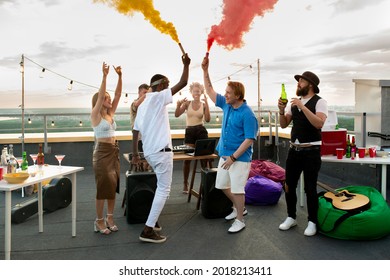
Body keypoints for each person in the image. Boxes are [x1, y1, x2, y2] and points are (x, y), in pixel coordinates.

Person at [132, 53, 191, 243]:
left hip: (149, 152)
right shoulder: (157, 97)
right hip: (162, 152)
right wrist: (186, 64)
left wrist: (135, 154)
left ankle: (153, 220)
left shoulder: (143, 105)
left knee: (159, 187)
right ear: (159, 86)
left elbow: (135, 130)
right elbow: (183, 82)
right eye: (166, 84)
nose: (168, 88)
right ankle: (148, 230)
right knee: (164, 190)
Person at [201, 56, 258, 233]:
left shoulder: (248, 114)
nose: (224, 95)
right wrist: (205, 70)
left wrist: (233, 158)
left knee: (238, 190)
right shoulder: (227, 106)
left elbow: (249, 139)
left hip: (239, 159)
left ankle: (240, 219)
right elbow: (209, 90)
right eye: (225, 92)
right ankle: (239, 208)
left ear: (238, 96)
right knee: (222, 186)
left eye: (228, 93)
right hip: (225, 155)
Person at [277, 71, 328, 237]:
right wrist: (281, 110)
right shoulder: (294, 104)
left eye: (301, 81)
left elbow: (319, 123)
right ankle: (291, 217)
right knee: (289, 185)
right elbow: (284, 125)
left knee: (310, 188)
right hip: (294, 150)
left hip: (311, 152)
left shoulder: (320, 102)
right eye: (298, 81)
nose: (298, 83)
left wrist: (302, 106)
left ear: (310, 85)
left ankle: (312, 221)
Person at [91, 62, 122, 235]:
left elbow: (118, 94)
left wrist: (119, 77)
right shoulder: (95, 115)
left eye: (109, 98)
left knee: (112, 186)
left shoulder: (110, 114)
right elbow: (102, 93)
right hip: (102, 153)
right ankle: (99, 220)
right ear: (99, 101)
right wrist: (104, 76)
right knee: (103, 188)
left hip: (113, 152)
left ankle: (110, 217)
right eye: (106, 98)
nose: (109, 99)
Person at [174, 82, 211, 193]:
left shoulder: (204, 105)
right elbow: (176, 114)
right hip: (190, 131)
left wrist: (208, 105)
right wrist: (178, 105)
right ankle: (186, 184)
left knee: (203, 159)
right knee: (187, 159)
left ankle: (205, 185)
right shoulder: (187, 104)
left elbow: (208, 119)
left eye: (198, 91)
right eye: (194, 91)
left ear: (201, 92)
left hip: (201, 131)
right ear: (191, 92)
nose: (196, 93)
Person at [130, 83, 150, 171]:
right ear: (139, 93)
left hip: (147, 136)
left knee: (149, 159)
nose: (146, 95)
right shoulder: (134, 103)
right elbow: (137, 105)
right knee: (141, 159)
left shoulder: (148, 105)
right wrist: (148, 94)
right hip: (138, 137)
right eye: (144, 92)